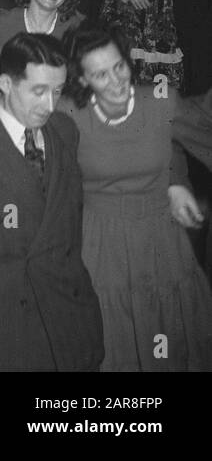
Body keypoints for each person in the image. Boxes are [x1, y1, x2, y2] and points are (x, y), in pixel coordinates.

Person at [0, 33, 104, 371]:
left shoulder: (65, 130)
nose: (49, 105)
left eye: (57, 91)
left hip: (65, 315)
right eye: (38, 91)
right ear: (6, 83)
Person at [61, 29, 212, 370]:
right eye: (101, 74)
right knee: (112, 340)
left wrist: (175, 181)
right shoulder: (67, 114)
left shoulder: (161, 101)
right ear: (82, 79)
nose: (117, 81)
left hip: (160, 239)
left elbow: (191, 135)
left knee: (169, 336)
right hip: (100, 242)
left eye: (119, 66)